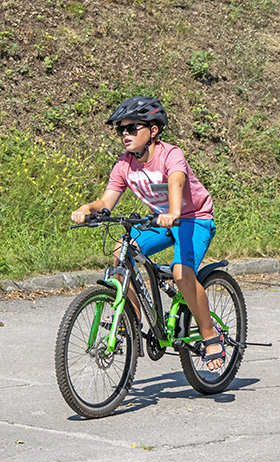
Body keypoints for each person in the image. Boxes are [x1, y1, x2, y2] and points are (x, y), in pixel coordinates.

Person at [70, 96, 226, 371]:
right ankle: (132, 317)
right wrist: (87, 208)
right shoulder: (124, 165)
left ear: (153, 131)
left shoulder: (170, 154)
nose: (125, 135)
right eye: (121, 130)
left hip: (193, 218)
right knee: (122, 249)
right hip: (160, 221)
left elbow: (176, 182)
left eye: (132, 128)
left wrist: (174, 212)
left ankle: (210, 335)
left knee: (181, 274)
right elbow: (106, 203)